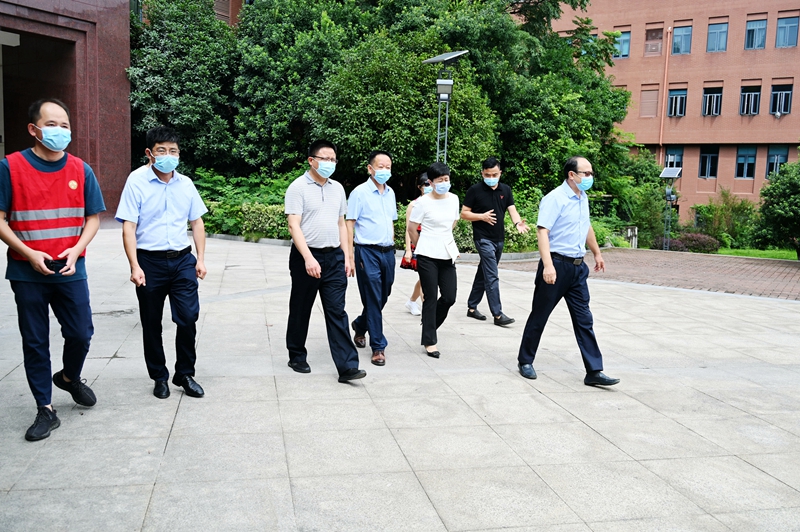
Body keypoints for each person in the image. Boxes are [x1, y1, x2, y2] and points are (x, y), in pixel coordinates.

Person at [0, 99, 105, 441]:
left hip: (71, 268)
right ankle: (45, 408)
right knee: (35, 340)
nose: (60, 131)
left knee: (81, 333)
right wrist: (29, 253)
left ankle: (69, 378)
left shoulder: (80, 169)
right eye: (52, 125)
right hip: (27, 271)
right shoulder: (10, 167)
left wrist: (77, 250)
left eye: (65, 126)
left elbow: (93, 218)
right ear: (34, 129)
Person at [115, 126, 208, 400]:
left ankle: (185, 373)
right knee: (151, 322)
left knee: (188, 317)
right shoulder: (136, 181)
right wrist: (134, 265)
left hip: (182, 260)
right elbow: (129, 227)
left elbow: (197, 222)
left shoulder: (186, 183)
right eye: (162, 150)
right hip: (149, 261)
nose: (169, 156)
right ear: (150, 153)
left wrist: (201, 259)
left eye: (173, 151)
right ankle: (159, 376)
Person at [517, 156, 619, 386]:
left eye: (591, 173)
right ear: (572, 175)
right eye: (586, 173)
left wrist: (597, 253)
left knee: (584, 319)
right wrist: (548, 265)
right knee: (540, 315)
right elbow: (542, 232)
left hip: (577, 268)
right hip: (556, 265)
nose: (590, 177)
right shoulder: (555, 198)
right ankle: (525, 360)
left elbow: (586, 226)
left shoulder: (583, 197)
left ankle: (594, 371)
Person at [284, 140, 366, 383]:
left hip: (334, 258)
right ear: (312, 160)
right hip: (306, 257)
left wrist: (347, 256)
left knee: (337, 311)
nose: (330, 163)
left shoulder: (337, 188)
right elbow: (293, 225)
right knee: (301, 308)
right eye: (325, 159)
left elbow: (341, 223)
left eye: (333, 159)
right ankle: (296, 355)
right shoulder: (297, 187)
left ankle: (347, 367)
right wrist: (308, 258)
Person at [461, 156, 530, 326]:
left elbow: (512, 209)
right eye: (487, 175)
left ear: (500, 173)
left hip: (499, 239)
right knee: (492, 275)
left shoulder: (505, 190)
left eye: (494, 175)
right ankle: (498, 315)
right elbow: (464, 214)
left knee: (483, 272)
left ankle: (472, 307)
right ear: (482, 173)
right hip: (483, 238)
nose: (491, 178)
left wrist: (517, 223)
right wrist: (481, 217)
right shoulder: (474, 190)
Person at [346, 150, 398, 366]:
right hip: (367, 252)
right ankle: (378, 346)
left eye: (388, 167)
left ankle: (360, 324)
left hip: (388, 252)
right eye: (380, 166)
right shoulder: (359, 193)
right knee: (373, 297)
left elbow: (391, 221)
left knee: (384, 294)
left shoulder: (391, 192)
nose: (385, 170)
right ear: (370, 168)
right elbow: (349, 223)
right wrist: (349, 255)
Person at [407, 162, 460, 358]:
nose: (444, 183)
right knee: (430, 297)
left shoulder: (454, 199)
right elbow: (412, 229)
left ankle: (429, 325)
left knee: (449, 297)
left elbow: (453, 223)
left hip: (447, 254)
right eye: (440, 180)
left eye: (447, 179)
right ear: (430, 182)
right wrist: (422, 246)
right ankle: (430, 341)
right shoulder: (422, 203)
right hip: (427, 255)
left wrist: (446, 241)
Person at [403, 174, 431, 316]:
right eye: (426, 185)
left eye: (430, 184)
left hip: (432, 244)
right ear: (420, 187)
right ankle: (428, 309)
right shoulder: (414, 205)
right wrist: (408, 249)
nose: (429, 187)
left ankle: (412, 301)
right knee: (426, 277)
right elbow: (408, 229)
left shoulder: (437, 203)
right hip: (418, 243)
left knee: (425, 277)